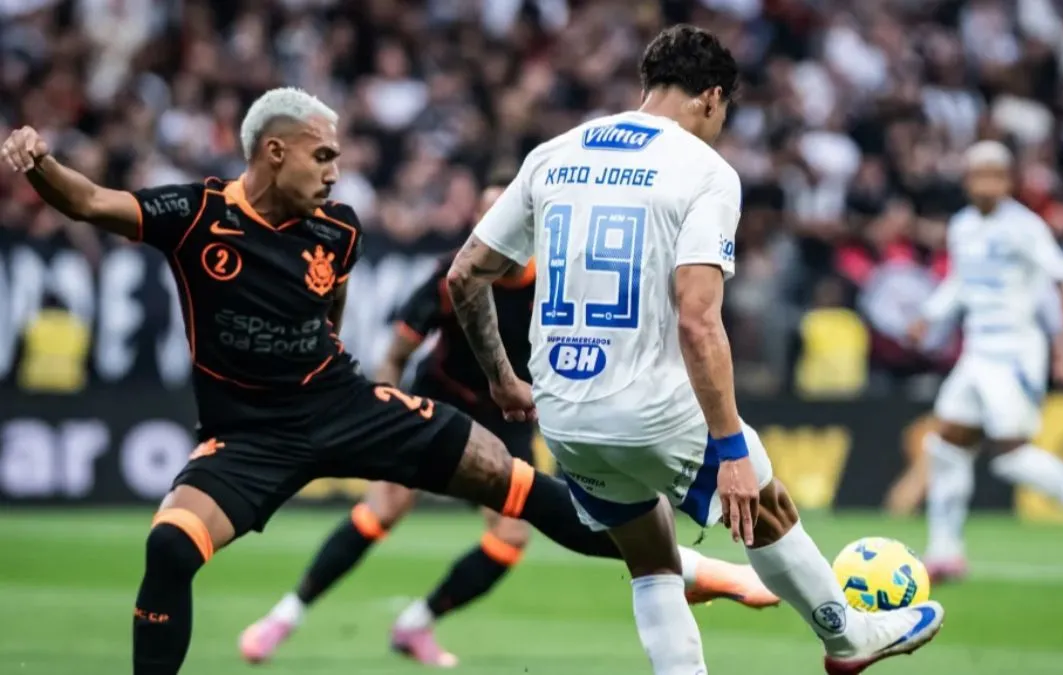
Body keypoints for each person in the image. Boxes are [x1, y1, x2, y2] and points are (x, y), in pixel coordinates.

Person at [0, 86, 765, 675]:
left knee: (516, 482)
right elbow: (91, 202)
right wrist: (38, 162)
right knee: (169, 546)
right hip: (247, 434)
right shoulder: (197, 215)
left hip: (341, 402)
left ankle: (694, 569)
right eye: (321, 156)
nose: (335, 170)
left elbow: (328, 298)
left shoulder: (340, 229)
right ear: (273, 152)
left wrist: (334, 352)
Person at [442, 25, 944, 675]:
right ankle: (848, 638)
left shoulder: (553, 154)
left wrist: (504, 380)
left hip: (562, 412)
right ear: (711, 97)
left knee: (651, 555)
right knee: (768, 506)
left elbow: (463, 274)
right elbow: (700, 321)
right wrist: (731, 446)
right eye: (724, 111)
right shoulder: (705, 170)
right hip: (650, 405)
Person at [239, 175, 777, 668]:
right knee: (384, 508)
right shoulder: (457, 276)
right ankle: (284, 616)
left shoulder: (558, 279)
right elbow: (398, 352)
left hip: (509, 414)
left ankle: (415, 624)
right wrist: (383, 405)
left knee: (510, 537)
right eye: (484, 219)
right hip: (442, 400)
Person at [907, 140, 1063, 583]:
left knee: (1010, 455)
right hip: (977, 352)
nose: (984, 183)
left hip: (1015, 353)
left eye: (993, 174)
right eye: (977, 175)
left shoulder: (1025, 227)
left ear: (1008, 181)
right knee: (947, 444)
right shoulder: (964, 225)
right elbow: (961, 284)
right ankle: (946, 552)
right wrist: (929, 315)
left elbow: (1062, 282)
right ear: (968, 180)